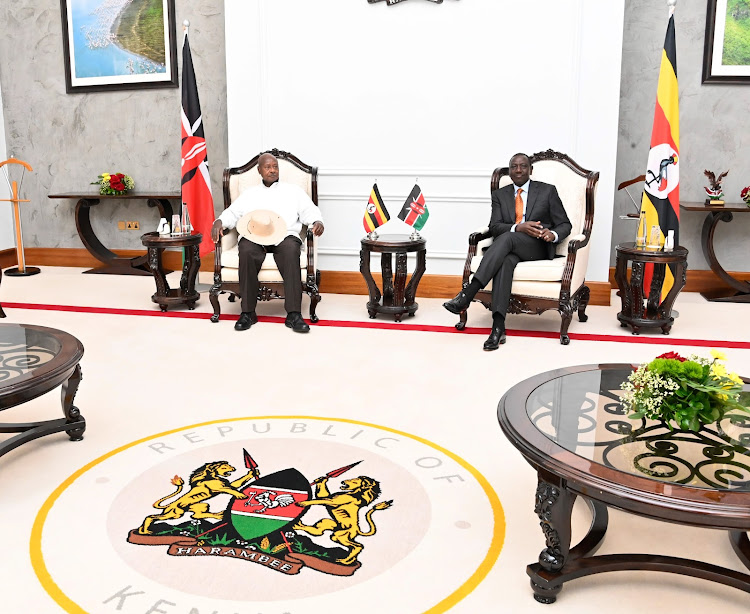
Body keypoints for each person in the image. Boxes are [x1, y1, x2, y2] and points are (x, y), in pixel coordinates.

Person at [443, 153, 571, 350]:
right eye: (514, 167)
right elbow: (494, 227)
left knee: (509, 237)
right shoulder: (500, 195)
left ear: (531, 170)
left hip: (536, 246)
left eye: (523, 166)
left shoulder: (547, 191)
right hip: (510, 246)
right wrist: (517, 227)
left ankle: (468, 294)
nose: (518, 170)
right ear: (509, 171)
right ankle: (498, 327)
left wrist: (552, 234)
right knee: (506, 261)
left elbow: (565, 224)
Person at [211, 153, 324, 333]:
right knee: (246, 250)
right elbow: (232, 213)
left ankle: (294, 314)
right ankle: (248, 312)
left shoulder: (293, 191)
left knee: (290, 251)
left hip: (285, 235)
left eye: (275, 166)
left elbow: (310, 211)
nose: (272, 170)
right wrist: (219, 222)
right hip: (255, 236)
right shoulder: (250, 194)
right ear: (259, 170)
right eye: (268, 167)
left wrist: (317, 222)